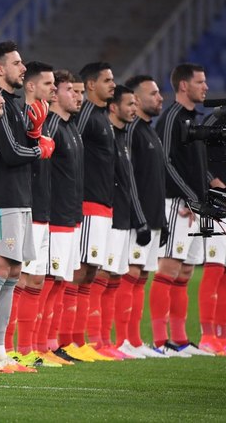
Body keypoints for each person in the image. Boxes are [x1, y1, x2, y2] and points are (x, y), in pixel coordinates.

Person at [0, 41, 54, 372]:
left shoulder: (16, 105)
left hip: (22, 198)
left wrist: (36, 134)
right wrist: (41, 148)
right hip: (3, 198)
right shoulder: (0, 106)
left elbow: (23, 148)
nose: (23, 68)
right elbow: (10, 152)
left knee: (13, 273)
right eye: (17, 63)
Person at [153, 63, 214, 357]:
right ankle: (159, 339)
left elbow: (195, 166)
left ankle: (178, 339)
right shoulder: (171, 118)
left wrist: (208, 187)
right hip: (176, 205)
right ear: (183, 86)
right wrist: (191, 197)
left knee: (186, 271)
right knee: (168, 268)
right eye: (200, 82)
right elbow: (165, 161)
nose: (206, 87)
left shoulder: (194, 119)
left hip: (193, 206)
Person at [59, 62, 117, 362]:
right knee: (78, 271)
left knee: (90, 272)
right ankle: (65, 340)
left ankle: (78, 341)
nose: (113, 85)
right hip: (85, 204)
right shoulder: (82, 121)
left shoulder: (101, 117)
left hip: (102, 204)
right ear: (91, 84)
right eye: (107, 80)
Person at [10, 61, 64, 368]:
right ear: (30, 86)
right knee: (15, 280)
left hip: (42, 210)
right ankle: (5, 347)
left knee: (36, 281)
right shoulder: (19, 117)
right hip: (22, 207)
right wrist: (36, 142)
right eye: (48, 84)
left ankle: (29, 348)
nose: (53, 89)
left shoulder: (45, 118)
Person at [87, 85, 143, 360]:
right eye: (129, 102)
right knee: (100, 275)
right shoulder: (101, 131)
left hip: (119, 215)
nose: (134, 108)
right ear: (113, 107)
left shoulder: (120, 137)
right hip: (103, 213)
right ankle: (95, 340)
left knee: (114, 277)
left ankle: (108, 340)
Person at [115, 75, 169, 359]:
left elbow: (154, 179)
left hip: (153, 216)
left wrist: (163, 220)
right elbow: (130, 178)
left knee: (141, 275)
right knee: (131, 273)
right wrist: (140, 218)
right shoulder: (132, 131)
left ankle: (134, 340)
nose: (159, 97)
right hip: (138, 217)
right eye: (153, 93)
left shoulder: (149, 130)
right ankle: (123, 339)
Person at [35, 70, 85, 363]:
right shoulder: (50, 126)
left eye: (80, 92)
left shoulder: (71, 126)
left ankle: (52, 344)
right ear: (55, 95)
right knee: (48, 280)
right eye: (72, 91)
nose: (78, 97)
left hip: (71, 215)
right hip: (54, 216)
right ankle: (40, 345)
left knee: (62, 280)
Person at [197, 71, 226, 355]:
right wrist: (210, 179)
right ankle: (207, 336)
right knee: (213, 272)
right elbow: (195, 155)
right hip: (218, 206)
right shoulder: (217, 120)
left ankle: (223, 336)